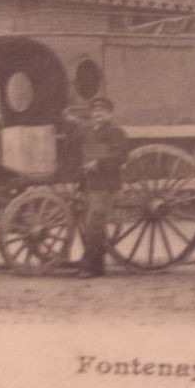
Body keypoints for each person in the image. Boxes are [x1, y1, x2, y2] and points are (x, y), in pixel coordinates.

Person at [75, 95, 129, 278]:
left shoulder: (115, 131)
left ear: (110, 113)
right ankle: (97, 265)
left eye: (102, 111)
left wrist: (99, 163)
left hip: (107, 184)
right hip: (92, 184)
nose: (98, 114)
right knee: (93, 224)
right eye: (95, 111)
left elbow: (121, 155)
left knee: (94, 223)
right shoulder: (92, 131)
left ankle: (89, 265)